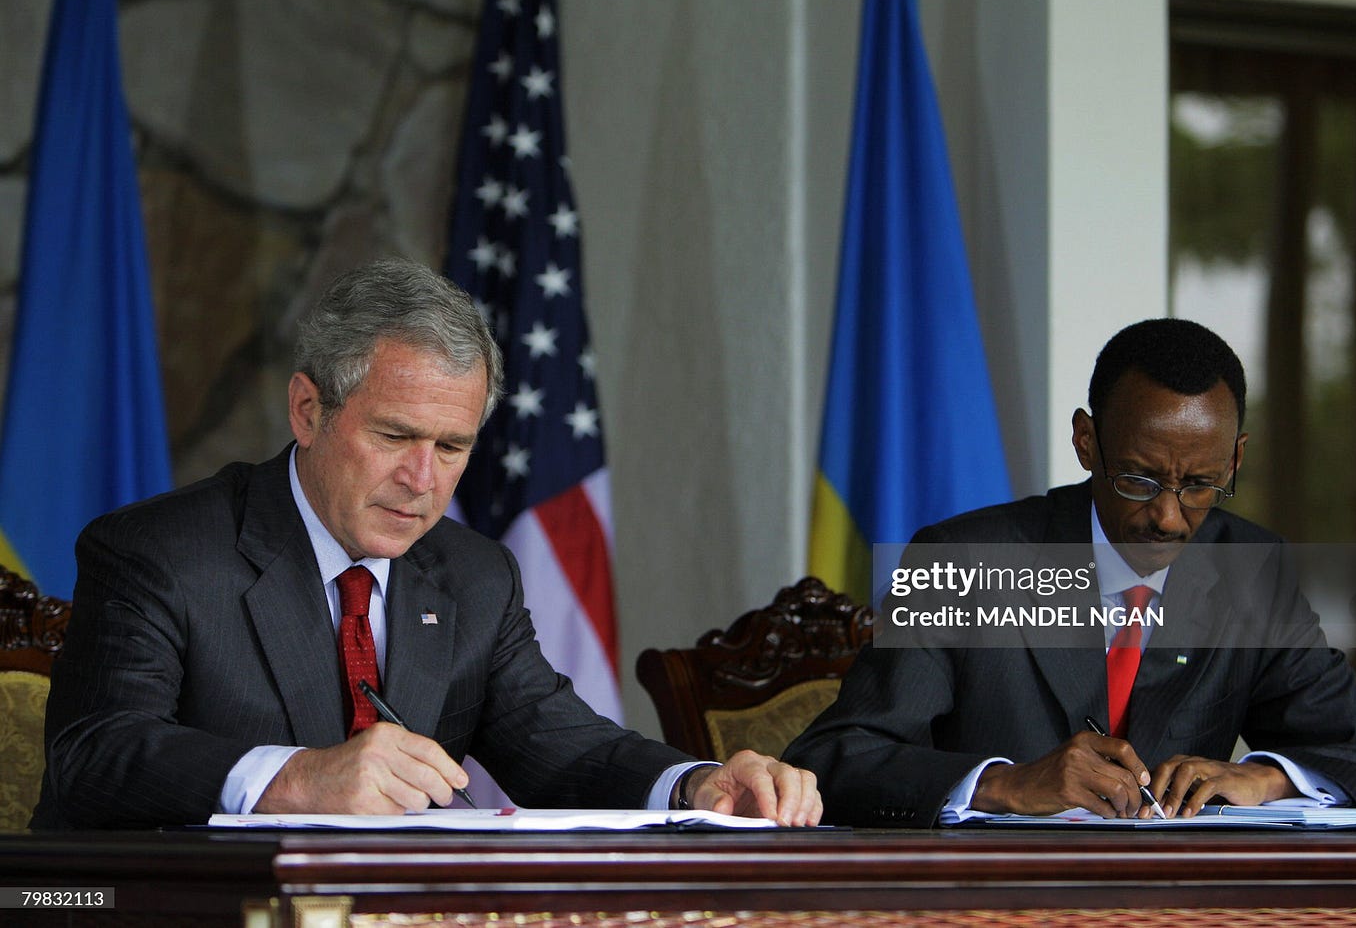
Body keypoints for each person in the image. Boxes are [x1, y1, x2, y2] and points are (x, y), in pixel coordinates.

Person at [32, 258, 820, 830]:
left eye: (452, 446)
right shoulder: (159, 552)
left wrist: (696, 784)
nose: (422, 479)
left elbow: (560, 747)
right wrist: (299, 779)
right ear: (307, 411)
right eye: (395, 435)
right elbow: (96, 754)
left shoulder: (473, 574)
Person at [784, 317, 1356, 827]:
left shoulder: (1250, 574)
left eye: (1202, 484)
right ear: (1087, 441)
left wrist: (1267, 777)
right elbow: (835, 759)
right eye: (1139, 479)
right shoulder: (963, 561)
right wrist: (1006, 783)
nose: (1170, 519)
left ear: (1235, 461)